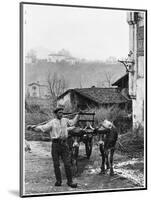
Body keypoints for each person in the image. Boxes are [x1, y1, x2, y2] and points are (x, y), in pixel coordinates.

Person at [27, 107, 80, 188]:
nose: (61, 114)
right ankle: (58, 181)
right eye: (59, 112)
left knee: (67, 164)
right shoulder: (52, 122)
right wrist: (32, 128)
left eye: (62, 112)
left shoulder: (65, 120)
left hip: (64, 145)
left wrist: (77, 115)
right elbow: (42, 128)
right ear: (56, 114)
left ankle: (70, 182)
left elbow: (72, 122)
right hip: (55, 145)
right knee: (56, 164)